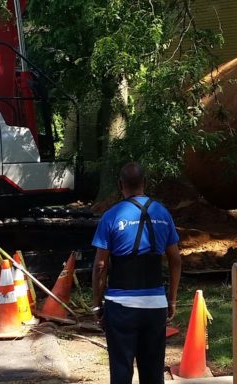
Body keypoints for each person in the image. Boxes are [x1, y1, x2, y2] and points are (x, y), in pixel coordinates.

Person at [91, 162, 182, 384]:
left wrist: (97, 305)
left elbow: (100, 265)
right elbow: (176, 260)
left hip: (121, 306)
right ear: (145, 183)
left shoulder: (111, 216)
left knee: (121, 371)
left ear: (120, 184)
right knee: (153, 372)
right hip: (155, 304)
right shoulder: (162, 213)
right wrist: (171, 299)